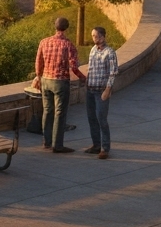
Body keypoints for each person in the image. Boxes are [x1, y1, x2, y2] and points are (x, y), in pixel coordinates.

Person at [32, 17, 86, 153]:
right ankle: (58, 145)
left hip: (46, 80)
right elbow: (74, 67)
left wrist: (39, 77)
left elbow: (38, 63)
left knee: (47, 111)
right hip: (60, 82)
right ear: (66, 28)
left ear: (55, 26)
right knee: (60, 113)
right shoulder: (68, 45)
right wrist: (82, 77)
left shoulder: (44, 42)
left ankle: (46, 141)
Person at [83, 26, 117, 160]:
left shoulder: (110, 53)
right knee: (92, 118)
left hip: (101, 91)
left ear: (103, 37)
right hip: (90, 89)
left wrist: (107, 90)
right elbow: (90, 69)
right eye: (92, 36)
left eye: (95, 36)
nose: (93, 38)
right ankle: (96, 145)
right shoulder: (92, 50)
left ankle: (105, 148)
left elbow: (113, 73)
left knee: (101, 119)